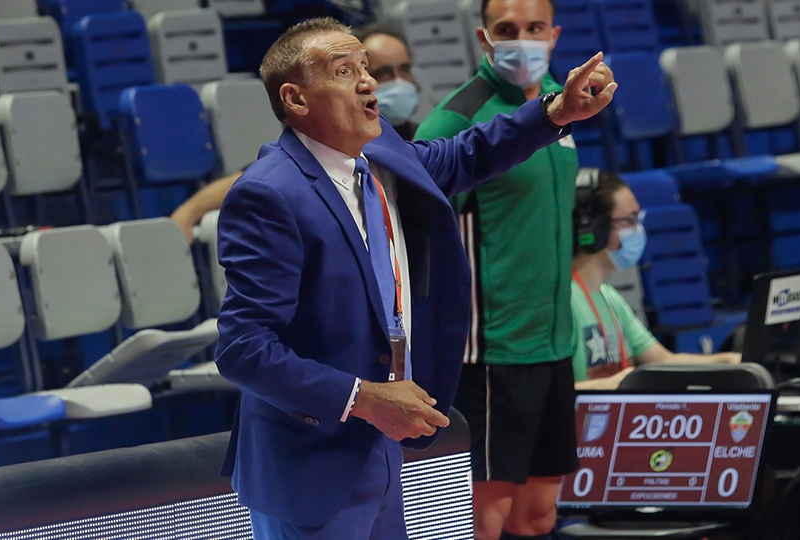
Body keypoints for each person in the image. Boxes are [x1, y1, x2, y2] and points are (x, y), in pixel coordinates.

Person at [214, 16, 615, 540]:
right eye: (343, 71)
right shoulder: (269, 193)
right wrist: (365, 398)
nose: (368, 81)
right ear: (295, 98)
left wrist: (556, 112)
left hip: (384, 444)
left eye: (364, 67)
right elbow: (242, 348)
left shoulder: (382, 154)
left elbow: (465, 153)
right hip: (311, 459)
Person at [414, 1, 582, 538]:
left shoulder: (562, 100)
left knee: (537, 515)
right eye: (507, 30)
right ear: (485, 38)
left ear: (554, 35)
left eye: (535, 28)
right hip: (491, 352)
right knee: (484, 521)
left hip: (553, 343)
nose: (523, 39)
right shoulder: (455, 119)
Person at [170, 24, 423, 241]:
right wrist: (188, 214)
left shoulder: (423, 135)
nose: (394, 82)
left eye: (405, 69)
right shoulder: (323, 146)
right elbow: (260, 180)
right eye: (381, 72)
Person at [570, 168, 740, 391]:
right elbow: (547, 395)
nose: (638, 230)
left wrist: (727, 362)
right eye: (630, 220)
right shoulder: (562, 302)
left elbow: (663, 362)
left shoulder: (609, 297)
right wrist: (615, 385)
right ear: (594, 228)